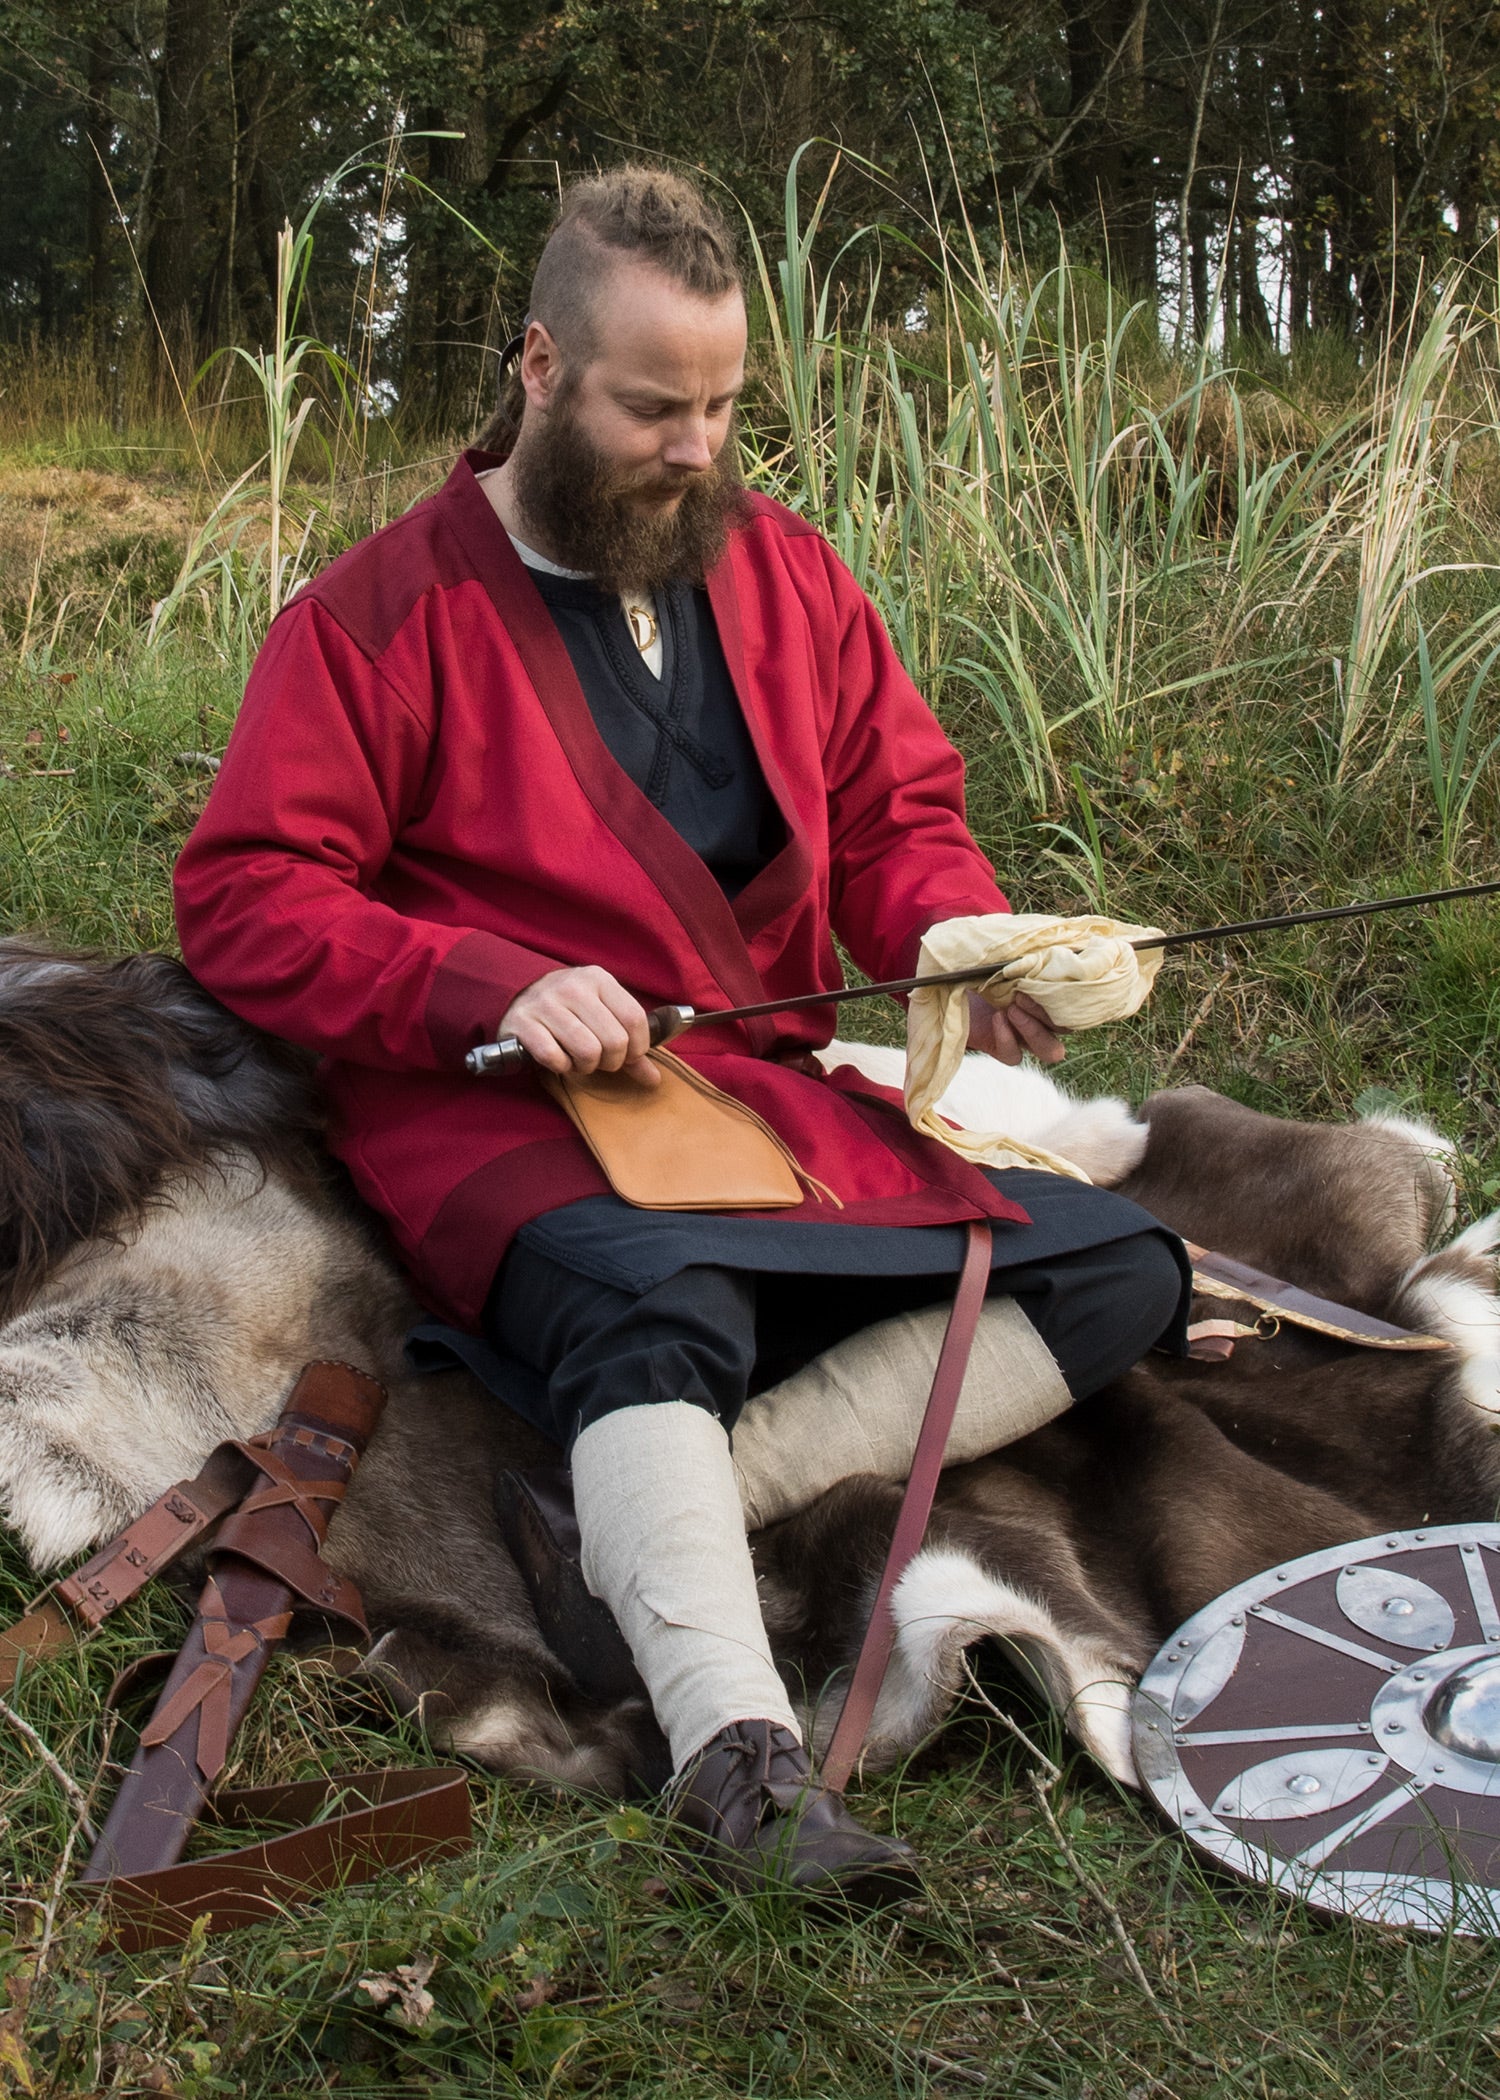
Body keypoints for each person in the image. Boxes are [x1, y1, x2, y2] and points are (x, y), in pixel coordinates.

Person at [174, 166, 1187, 1902]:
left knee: (1116, 1270)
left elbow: (891, 817)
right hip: (495, 1106)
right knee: (668, 1304)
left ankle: (645, 1517)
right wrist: (489, 983)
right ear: (544, 367)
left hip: (753, 1090)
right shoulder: (376, 619)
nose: (699, 446)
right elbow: (251, 892)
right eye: (657, 406)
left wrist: (955, 930)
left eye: (723, 406)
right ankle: (737, 1762)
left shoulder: (786, 572)